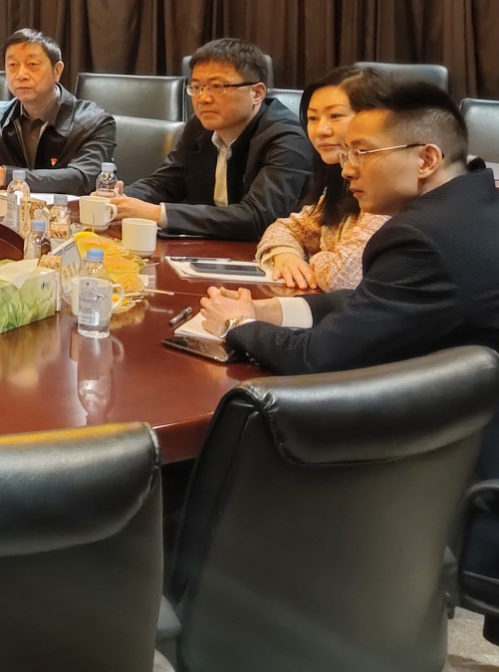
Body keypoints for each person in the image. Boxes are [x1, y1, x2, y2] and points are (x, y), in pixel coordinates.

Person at [202, 78, 499, 583]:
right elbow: (380, 303)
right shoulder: (473, 202)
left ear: (426, 159)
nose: (346, 168)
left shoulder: (420, 235)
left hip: (442, 470)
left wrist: (235, 326)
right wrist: (275, 311)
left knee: (244, 443)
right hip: (462, 430)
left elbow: (321, 358)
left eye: (362, 152)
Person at [109, 37, 314, 237]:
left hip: (270, 252)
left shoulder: (288, 139)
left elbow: (259, 217)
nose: (204, 98)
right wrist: (120, 199)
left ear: (257, 93)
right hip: (206, 246)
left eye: (217, 87)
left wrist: (157, 214)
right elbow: (165, 183)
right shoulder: (200, 126)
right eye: (197, 87)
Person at [252, 66, 387, 292]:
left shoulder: (389, 188)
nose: (320, 130)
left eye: (335, 116)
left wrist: (312, 259)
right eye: (313, 118)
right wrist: (286, 255)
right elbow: (287, 228)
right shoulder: (339, 181)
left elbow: (342, 278)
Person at [0, 28, 116, 195]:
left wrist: (5, 176)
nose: (21, 75)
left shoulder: (94, 122)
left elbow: (83, 179)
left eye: (32, 65)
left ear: (57, 71)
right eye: (13, 65)